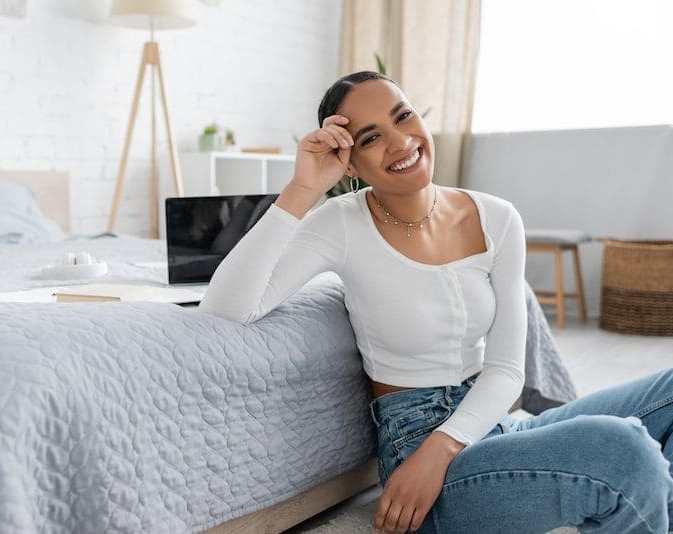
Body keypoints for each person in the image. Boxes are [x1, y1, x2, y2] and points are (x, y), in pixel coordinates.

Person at [198, 71, 673, 533]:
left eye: (402, 116)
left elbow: (507, 369)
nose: (400, 141)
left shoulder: (497, 217)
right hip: (417, 454)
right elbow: (227, 308)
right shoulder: (339, 223)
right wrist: (303, 189)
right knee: (622, 451)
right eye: (370, 138)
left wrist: (444, 446)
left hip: (487, 431)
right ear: (349, 164)